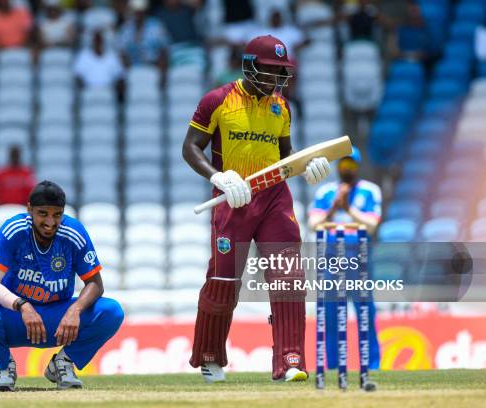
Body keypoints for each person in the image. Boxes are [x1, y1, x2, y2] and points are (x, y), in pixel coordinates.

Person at [182, 35, 331, 383]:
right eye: (270, 70)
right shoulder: (218, 100)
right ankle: (210, 357)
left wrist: (308, 167)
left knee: (289, 278)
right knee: (223, 282)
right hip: (234, 198)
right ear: (249, 67)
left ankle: (290, 360)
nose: (276, 78)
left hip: (274, 197)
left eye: (281, 71)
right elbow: (190, 148)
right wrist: (218, 178)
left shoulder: (281, 106)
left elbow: (285, 158)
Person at [0, 181, 124, 391]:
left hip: (55, 320)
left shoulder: (73, 233)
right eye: (43, 213)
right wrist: (22, 305)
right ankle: (5, 366)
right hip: (17, 316)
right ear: (29, 209)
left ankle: (63, 364)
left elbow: (95, 284)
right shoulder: (14, 229)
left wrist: (74, 310)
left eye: (57, 215)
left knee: (111, 311)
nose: (50, 222)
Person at [307, 147, 381, 370]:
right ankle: (332, 367)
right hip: (331, 261)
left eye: (351, 165)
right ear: (337, 167)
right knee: (330, 317)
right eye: (343, 165)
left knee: (366, 315)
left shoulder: (370, 190)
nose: (347, 169)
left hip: (359, 261)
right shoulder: (326, 192)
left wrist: (348, 207)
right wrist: (334, 207)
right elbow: (313, 224)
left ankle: (373, 366)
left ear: (357, 167)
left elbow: (372, 224)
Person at [0, 0, 34, 96]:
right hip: (0, 48)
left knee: (35, 54)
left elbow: (30, 33)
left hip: (21, 46)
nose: (5, 4)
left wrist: (23, 46)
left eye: (6, 2)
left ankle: (33, 88)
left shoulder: (22, 12)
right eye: (2, 2)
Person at [117, 0, 170, 70]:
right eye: (135, 10)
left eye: (140, 10)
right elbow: (122, 52)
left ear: (145, 11)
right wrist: (129, 72)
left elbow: (164, 50)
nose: (137, 13)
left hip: (154, 67)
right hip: (133, 68)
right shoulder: (126, 28)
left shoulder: (156, 26)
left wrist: (161, 72)